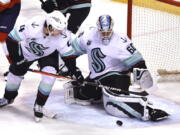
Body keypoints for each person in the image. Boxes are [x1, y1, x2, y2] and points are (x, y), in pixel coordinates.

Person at [63, 15, 169, 121]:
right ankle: (96, 92)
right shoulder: (88, 36)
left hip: (117, 75)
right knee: (82, 95)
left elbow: (137, 62)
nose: (105, 35)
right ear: (98, 28)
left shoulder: (121, 40)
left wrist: (142, 76)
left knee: (112, 103)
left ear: (112, 28)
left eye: (108, 32)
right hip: (97, 78)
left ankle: (148, 111)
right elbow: (69, 52)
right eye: (102, 32)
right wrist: (73, 70)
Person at [0, 11, 82, 122]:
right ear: (49, 26)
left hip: (48, 54)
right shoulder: (33, 25)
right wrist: (18, 61)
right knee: (14, 76)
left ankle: (39, 104)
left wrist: (75, 71)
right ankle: (8, 97)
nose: (61, 33)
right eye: (58, 30)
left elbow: (68, 57)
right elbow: (10, 39)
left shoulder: (62, 35)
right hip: (26, 52)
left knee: (50, 77)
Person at [40, 0, 91, 76]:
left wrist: (54, 3)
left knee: (66, 34)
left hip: (81, 4)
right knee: (54, 27)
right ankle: (51, 59)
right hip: (61, 4)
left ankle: (63, 61)